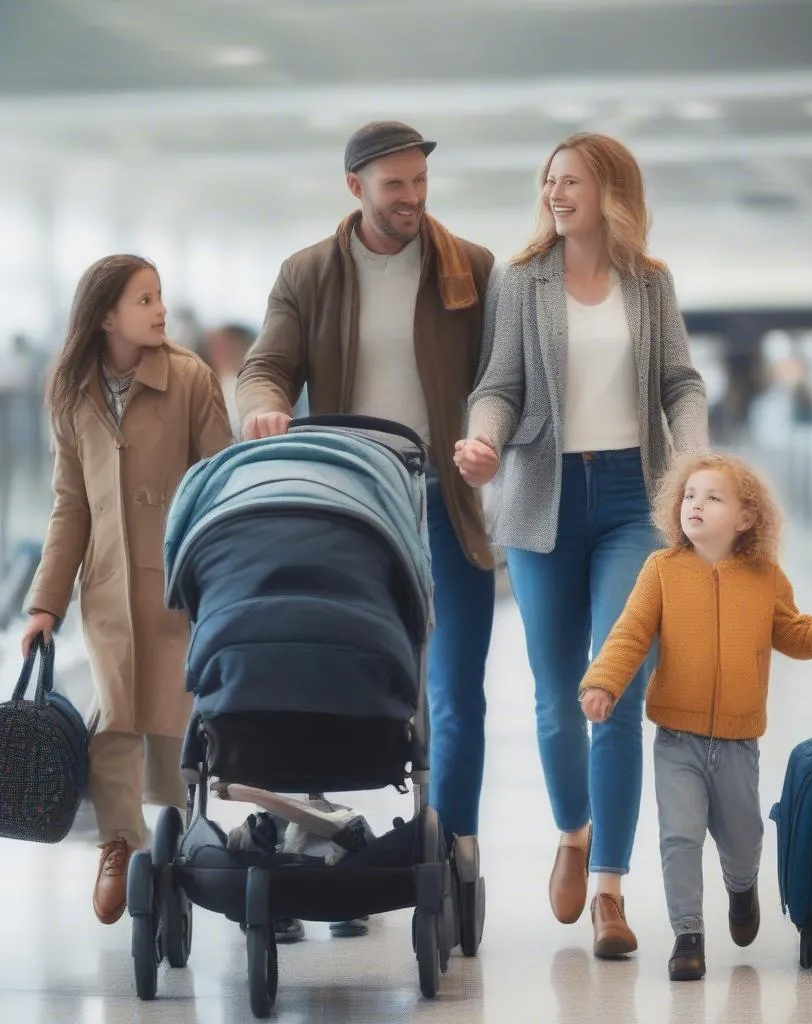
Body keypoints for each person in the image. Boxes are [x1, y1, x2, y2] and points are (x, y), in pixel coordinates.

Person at [234, 121, 496, 949]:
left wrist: (491, 432)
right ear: (356, 187)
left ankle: (452, 844)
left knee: (453, 692)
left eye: (421, 183)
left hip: (442, 502)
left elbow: (502, 376)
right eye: (395, 186)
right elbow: (265, 364)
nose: (413, 199)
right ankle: (326, 838)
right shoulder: (309, 273)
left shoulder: (472, 269)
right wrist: (265, 406)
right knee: (332, 670)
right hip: (351, 510)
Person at [455, 132, 708, 958]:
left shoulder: (649, 283)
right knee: (557, 695)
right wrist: (483, 441)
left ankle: (608, 887)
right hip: (541, 501)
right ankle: (573, 827)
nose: (557, 192)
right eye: (550, 180)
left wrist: (697, 455)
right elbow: (498, 383)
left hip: (634, 501)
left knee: (616, 687)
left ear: (611, 192)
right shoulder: (520, 281)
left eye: (572, 180)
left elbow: (679, 381)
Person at [577, 452, 812, 980]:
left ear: (746, 518)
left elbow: (791, 631)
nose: (696, 505)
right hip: (676, 739)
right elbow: (630, 633)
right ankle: (688, 935)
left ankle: (741, 886)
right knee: (679, 837)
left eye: (713, 497)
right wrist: (603, 682)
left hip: (737, 742)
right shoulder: (660, 571)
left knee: (744, 835)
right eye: (689, 496)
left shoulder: (764, 577)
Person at [20, 254, 233, 925]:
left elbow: (220, 484)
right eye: (145, 300)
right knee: (112, 721)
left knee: (173, 721)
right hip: (107, 589)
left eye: (161, 296)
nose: (161, 310)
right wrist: (45, 604)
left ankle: (172, 841)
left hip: (178, 585)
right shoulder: (71, 392)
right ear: (106, 314)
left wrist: (219, 580)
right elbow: (68, 507)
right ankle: (119, 845)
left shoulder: (191, 379)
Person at [200, 323, 255, 437]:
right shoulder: (204, 387)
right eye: (213, 345)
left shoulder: (246, 387)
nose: (217, 350)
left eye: (224, 345)